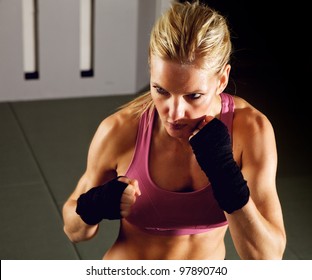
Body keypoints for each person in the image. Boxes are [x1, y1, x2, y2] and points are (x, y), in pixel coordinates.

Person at [62, 0, 286, 260]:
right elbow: (73, 230)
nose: (174, 113)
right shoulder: (119, 130)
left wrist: (225, 176)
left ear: (222, 79)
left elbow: (267, 259)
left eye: (193, 95)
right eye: (161, 90)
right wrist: (94, 205)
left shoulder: (251, 131)